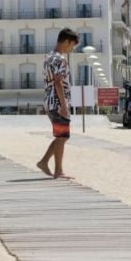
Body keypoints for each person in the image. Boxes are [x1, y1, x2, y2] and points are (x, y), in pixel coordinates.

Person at [37, 28, 79, 179]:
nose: (72, 49)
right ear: (66, 42)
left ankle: (44, 162)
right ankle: (58, 170)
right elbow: (58, 81)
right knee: (62, 136)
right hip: (57, 102)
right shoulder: (60, 59)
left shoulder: (48, 57)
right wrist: (63, 105)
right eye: (72, 45)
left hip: (49, 101)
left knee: (62, 135)